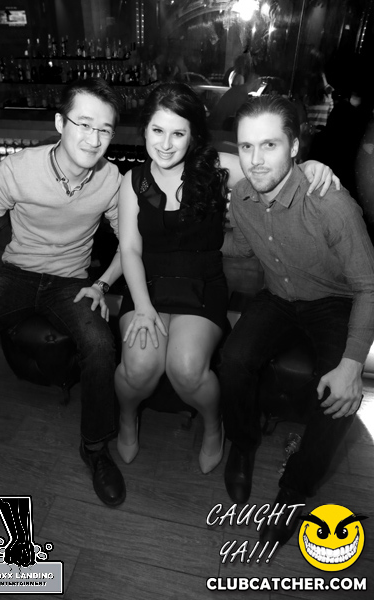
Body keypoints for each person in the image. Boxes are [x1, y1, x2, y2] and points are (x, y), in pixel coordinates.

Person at [113, 82, 339, 476]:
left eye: (178, 133)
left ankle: (213, 424)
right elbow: (130, 250)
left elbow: (270, 170)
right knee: (139, 366)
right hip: (146, 284)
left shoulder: (216, 166)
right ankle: (126, 417)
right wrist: (144, 308)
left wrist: (310, 167)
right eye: (157, 130)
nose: (165, 144)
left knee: (186, 367)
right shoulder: (132, 180)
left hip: (202, 284)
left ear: (192, 135)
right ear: (144, 129)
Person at [219, 94, 374, 547]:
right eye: (246, 146)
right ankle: (243, 444)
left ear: (293, 146)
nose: (255, 159)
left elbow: (369, 286)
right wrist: (195, 233)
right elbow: (242, 248)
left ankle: (295, 488)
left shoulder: (330, 202)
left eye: (269, 145)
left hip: (334, 301)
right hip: (279, 296)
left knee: (338, 396)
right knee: (233, 359)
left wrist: (351, 364)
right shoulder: (241, 197)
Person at [0, 79, 126, 507]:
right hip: (17, 273)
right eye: (84, 124)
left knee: (100, 344)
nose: (93, 138)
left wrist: (102, 283)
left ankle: (95, 448)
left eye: (105, 129)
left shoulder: (111, 179)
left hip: (71, 282)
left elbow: (131, 245)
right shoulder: (17, 169)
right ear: (60, 123)